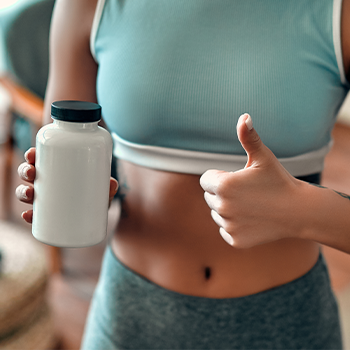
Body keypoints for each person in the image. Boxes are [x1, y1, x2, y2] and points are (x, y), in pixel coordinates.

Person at [16, 0, 350, 348]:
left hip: (286, 325)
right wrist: (68, 188)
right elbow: (62, 144)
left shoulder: (338, 12)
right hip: (130, 318)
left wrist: (300, 209)